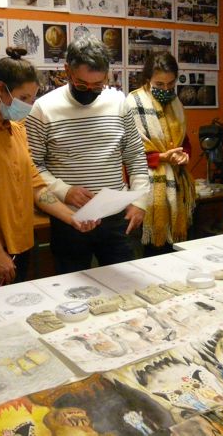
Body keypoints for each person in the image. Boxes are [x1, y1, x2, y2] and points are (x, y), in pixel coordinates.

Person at [0, 47, 89, 291]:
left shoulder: (16, 128)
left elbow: (35, 186)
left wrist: (72, 218)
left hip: (18, 243)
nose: (29, 106)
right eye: (24, 98)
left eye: (32, 99)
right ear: (1, 89)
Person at [26, 36, 150, 272]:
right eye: (82, 85)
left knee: (125, 283)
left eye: (98, 85)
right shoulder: (43, 108)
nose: (90, 91)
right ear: (67, 71)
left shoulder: (119, 102)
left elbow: (135, 155)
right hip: (69, 218)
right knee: (72, 285)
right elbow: (33, 165)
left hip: (117, 217)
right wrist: (64, 190)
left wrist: (140, 201)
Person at [125, 52, 196, 256]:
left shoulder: (176, 103)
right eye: (159, 84)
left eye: (170, 84)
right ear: (148, 80)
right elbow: (129, 152)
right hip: (145, 191)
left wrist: (184, 156)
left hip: (177, 187)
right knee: (151, 252)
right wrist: (161, 158)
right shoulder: (133, 103)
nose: (166, 89)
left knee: (176, 252)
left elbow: (184, 142)